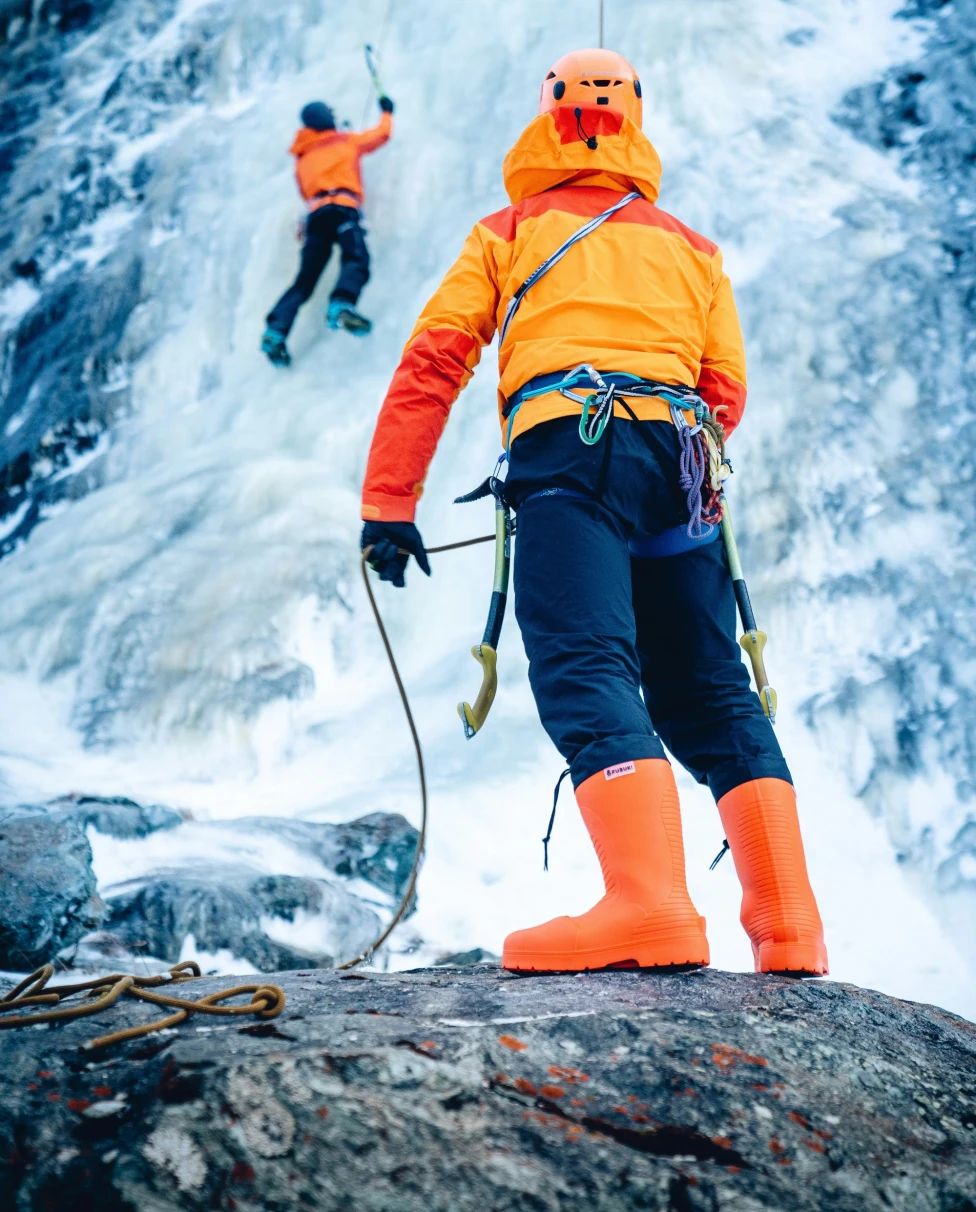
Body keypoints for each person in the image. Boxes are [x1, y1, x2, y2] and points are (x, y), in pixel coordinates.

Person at [359, 50, 828, 977]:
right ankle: (789, 930)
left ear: (551, 117)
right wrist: (667, 454)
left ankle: (649, 908)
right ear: (633, 125)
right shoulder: (692, 247)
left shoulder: (509, 229)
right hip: (681, 459)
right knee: (707, 686)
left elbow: (435, 361)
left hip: (570, 451)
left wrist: (389, 502)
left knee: (584, 661)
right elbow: (725, 388)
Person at [262, 95, 394, 366]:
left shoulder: (302, 157)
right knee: (356, 259)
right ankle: (341, 305)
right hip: (342, 208)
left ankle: (275, 330)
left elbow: (304, 192)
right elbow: (381, 135)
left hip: (316, 217)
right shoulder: (345, 140)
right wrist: (387, 112)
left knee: (305, 281)